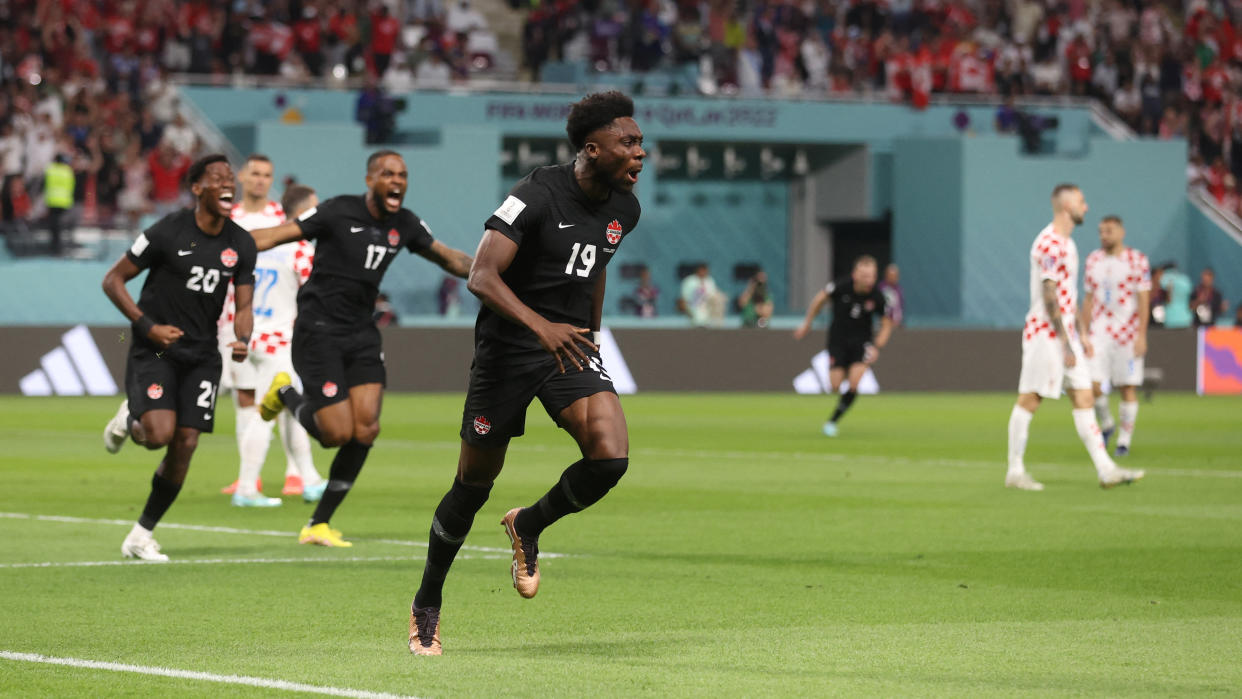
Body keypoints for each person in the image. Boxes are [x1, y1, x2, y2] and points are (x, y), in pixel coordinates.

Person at [407, 90, 645, 656]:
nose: (641, 151)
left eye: (640, 142)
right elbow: (483, 276)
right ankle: (427, 604)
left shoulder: (625, 208)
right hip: (510, 351)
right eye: (628, 142)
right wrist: (543, 327)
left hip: (567, 345)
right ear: (592, 148)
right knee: (473, 485)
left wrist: (592, 329)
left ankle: (529, 525)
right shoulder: (536, 193)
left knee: (610, 456)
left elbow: (599, 267)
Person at [250, 150, 473, 548]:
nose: (397, 181)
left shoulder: (404, 224)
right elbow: (276, 234)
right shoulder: (337, 211)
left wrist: (493, 269)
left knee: (366, 428)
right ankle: (284, 391)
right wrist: (223, 245)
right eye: (388, 174)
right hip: (318, 331)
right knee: (336, 434)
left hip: (361, 334)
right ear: (370, 179)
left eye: (403, 175)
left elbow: (447, 257)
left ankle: (318, 524)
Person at [100, 154, 257, 561]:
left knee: (186, 442)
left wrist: (243, 336)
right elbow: (113, 280)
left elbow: (243, 304)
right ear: (197, 188)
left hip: (203, 355)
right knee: (158, 436)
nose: (228, 183)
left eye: (230, 178)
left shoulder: (241, 243)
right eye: (217, 178)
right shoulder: (167, 232)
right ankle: (131, 417)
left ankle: (140, 535)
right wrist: (146, 324)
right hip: (155, 346)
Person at [1005, 184, 1144, 491]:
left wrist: (1080, 333)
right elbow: (1049, 292)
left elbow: (1069, 297)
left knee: (1083, 396)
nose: (1087, 206)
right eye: (1082, 201)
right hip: (1046, 335)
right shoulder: (1050, 243)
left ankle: (1106, 469)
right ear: (1067, 205)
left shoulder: (1068, 244)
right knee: (1031, 397)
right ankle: (1014, 471)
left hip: (1066, 335)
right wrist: (1066, 343)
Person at [225, 183, 327, 507]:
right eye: (316, 207)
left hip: (250, 334)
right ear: (305, 212)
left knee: (287, 408)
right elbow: (317, 296)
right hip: (279, 339)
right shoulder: (300, 249)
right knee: (265, 412)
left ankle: (309, 478)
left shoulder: (261, 243)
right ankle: (246, 487)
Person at [216, 154, 301, 502]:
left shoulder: (281, 218)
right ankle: (248, 477)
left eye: (267, 175)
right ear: (242, 176)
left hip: (278, 324)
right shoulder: (228, 219)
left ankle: (295, 473)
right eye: (254, 174)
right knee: (245, 398)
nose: (260, 180)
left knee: (281, 395)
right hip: (234, 321)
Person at [793, 255, 894, 437]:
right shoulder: (841, 287)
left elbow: (887, 324)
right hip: (838, 341)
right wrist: (807, 323)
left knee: (854, 383)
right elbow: (819, 300)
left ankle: (832, 421)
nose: (869, 280)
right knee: (835, 385)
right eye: (865, 276)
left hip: (862, 343)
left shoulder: (877, 297)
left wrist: (878, 345)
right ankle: (847, 369)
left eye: (872, 276)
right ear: (855, 274)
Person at [1081, 215, 1150, 457]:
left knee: (1127, 387)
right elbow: (1088, 299)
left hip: (1127, 335)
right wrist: (1083, 332)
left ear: (1121, 232)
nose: (1104, 236)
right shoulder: (1093, 261)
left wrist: (1142, 335)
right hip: (1099, 332)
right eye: (1101, 231)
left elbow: (1143, 299)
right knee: (1092, 384)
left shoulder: (1136, 260)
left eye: (1108, 231)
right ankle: (1108, 423)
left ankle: (1124, 440)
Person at [43, 152, 75, 255]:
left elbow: (45, 184)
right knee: (60, 226)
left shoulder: (50, 169)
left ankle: (54, 247)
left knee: (53, 226)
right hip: (64, 201)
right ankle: (59, 247)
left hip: (52, 201)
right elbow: (72, 186)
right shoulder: (68, 171)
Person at [1160, 261, 1193, 329]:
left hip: (1171, 319)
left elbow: (1168, 298)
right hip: (1186, 318)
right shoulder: (1185, 279)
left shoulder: (1164, 278)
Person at [878, 262, 905, 327]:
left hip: (897, 323)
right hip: (886, 324)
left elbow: (900, 306)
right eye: (891, 276)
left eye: (895, 276)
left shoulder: (899, 289)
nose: (893, 278)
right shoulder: (882, 288)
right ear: (886, 275)